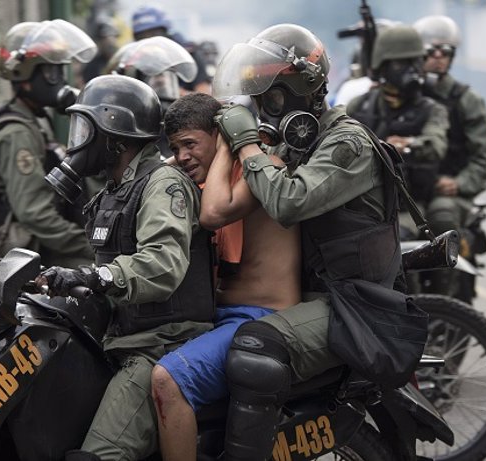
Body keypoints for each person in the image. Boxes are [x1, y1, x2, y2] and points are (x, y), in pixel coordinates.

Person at [211, 24, 405, 461]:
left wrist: (245, 142)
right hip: (319, 294)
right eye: (258, 97)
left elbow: (289, 202)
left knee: (255, 349)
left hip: (354, 303)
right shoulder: (302, 139)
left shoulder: (346, 142)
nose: (264, 107)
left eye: (272, 96)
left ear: (305, 87)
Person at [36, 74, 215, 461]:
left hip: (161, 344)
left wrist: (92, 277)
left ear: (115, 138)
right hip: (121, 338)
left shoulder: (162, 185)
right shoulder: (113, 192)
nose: (78, 141)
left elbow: (163, 264)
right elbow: (112, 264)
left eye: (87, 129)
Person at [150, 93, 302, 461]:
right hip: (223, 318)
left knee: (166, 381)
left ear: (219, 137)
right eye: (175, 147)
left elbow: (213, 214)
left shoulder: (263, 168)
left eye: (189, 144)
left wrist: (227, 146)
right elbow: (159, 174)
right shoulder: (209, 179)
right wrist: (186, 156)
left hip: (262, 320)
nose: (182, 156)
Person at [0, 20, 97, 267]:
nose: (60, 81)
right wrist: (91, 246)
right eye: (52, 72)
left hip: (38, 251)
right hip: (23, 258)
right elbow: (35, 215)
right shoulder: (16, 134)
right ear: (25, 77)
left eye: (61, 71)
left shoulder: (34, 122)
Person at [414, 15, 486, 297]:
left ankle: (445, 303)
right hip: (409, 187)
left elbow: (482, 159)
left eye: (444, 52)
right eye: (430, 51)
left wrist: (459, 183)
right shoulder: (405, 94)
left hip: (448, 189)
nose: (437, 57)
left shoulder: (466, 100)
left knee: (443, 219)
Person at [346, 25, 450, 206]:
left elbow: (436, 144)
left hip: (410, 206)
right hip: (365, 202)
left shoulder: (432, 109)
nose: (411, 70)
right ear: (382, 68)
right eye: (400, 64)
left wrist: (407, 145)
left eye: (415, 62)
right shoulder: (360, 105)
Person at [130, 5, 211, 94]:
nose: (150, 40)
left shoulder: (189, 54)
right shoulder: (136, 62)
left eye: (154, 33)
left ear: (166, 32)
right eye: (142, 36)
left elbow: (205, 95)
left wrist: (175, 92)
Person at [81, 18, 120, 84]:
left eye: (112, 37)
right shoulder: (92, 66)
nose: (110, 42)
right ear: (99, 41)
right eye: (105, 38)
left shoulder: (123, 60)